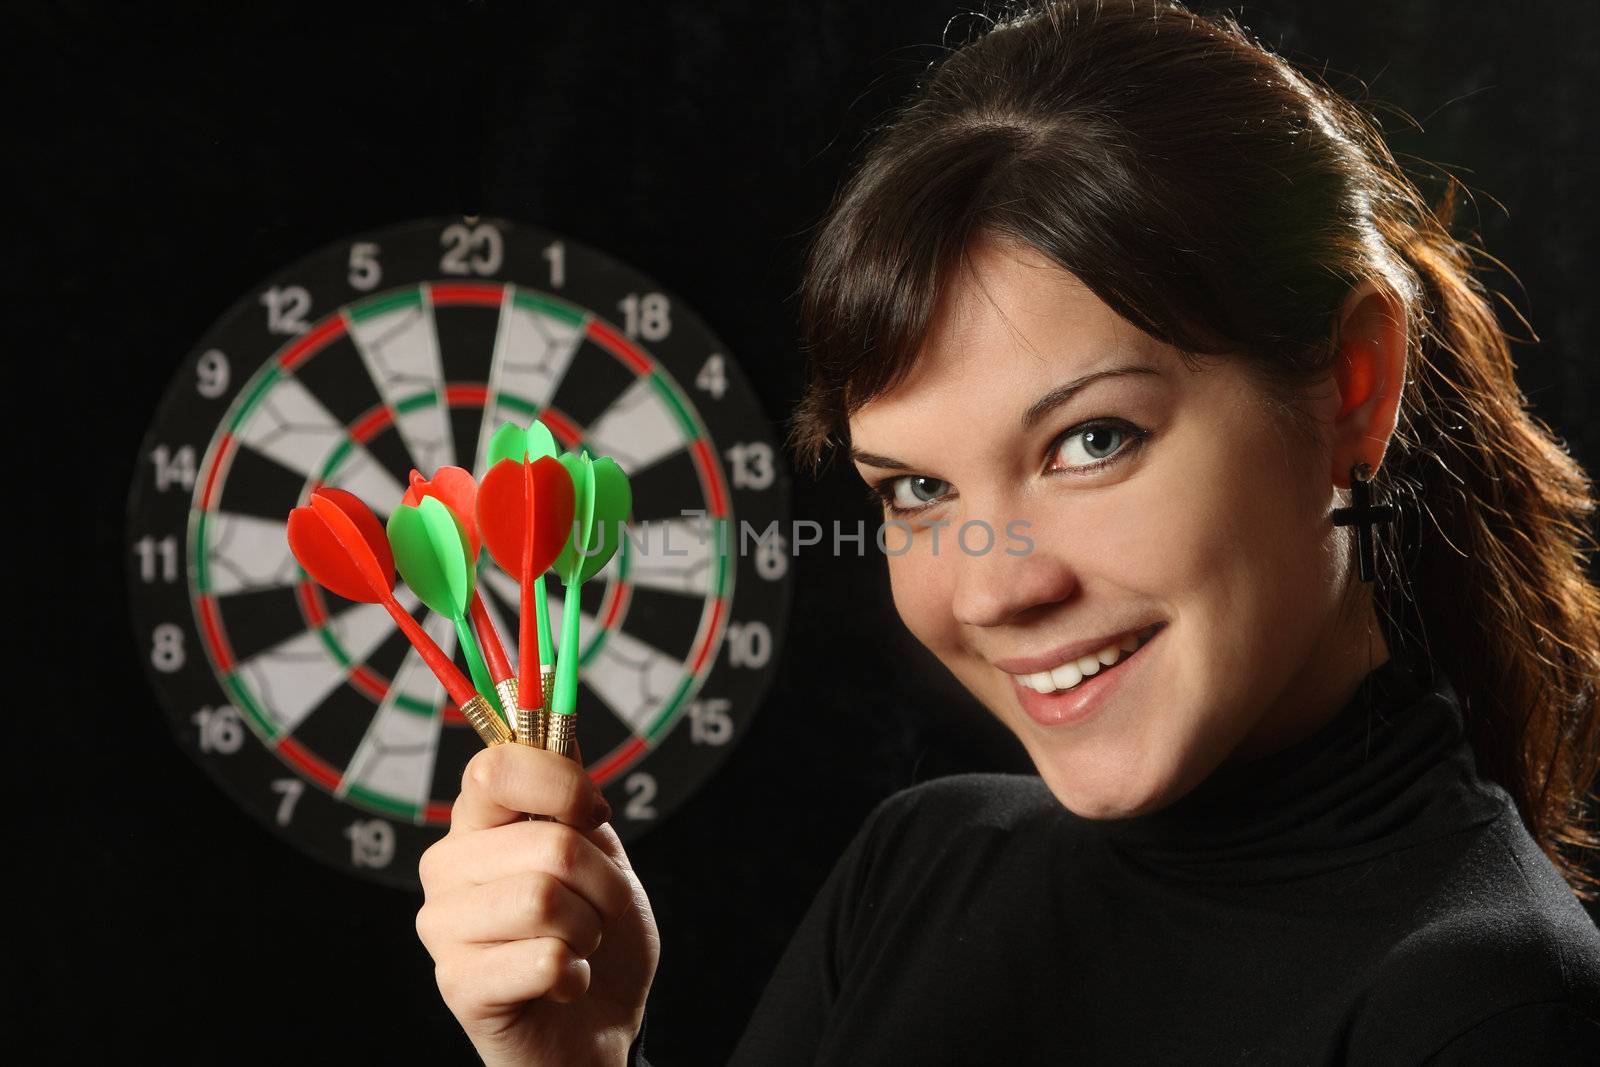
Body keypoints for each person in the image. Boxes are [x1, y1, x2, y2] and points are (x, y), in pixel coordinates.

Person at [413, 2, 1600, 1063]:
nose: (993, 590)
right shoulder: (919, 868)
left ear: (1352, 380)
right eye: (915, 489)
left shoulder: (1481, 1006)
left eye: (1092, 441)